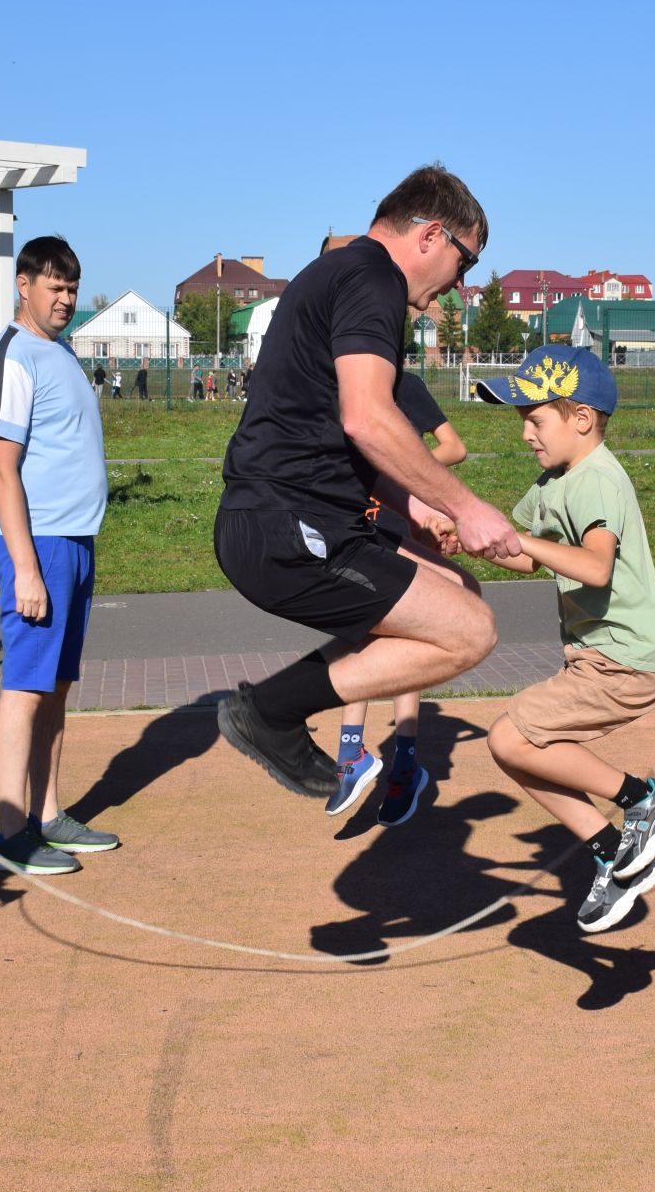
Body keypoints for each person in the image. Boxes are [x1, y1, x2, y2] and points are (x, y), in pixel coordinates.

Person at [213, 163, 519, 797]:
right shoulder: (371, 273)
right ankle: (269, 713)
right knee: (470, 631)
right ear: (431, 235)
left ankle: (275, 712)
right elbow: (367, 418)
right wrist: (466, 508)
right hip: (288, 526)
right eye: (465, 265)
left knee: (457, 590)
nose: (460, 287)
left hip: (291, 515)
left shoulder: (341, 272)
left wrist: (418, 506)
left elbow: (323, 425)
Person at [475, 347, 655, 932]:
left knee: (512, 738)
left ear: (581, 418)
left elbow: (594, 567)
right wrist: (476, 541)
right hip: (601, 658)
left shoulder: (596, 480)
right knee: (519, 751)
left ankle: (645, 800)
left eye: (535, 418)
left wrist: (520, 544)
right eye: (521, 418)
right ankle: (611, 852)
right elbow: (529, 554)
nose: (525, 433)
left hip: (627, 659)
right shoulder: (558, 480)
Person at [0, 235, 118, 875]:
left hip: (75, 540)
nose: (63, 299)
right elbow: (1, 469)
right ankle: (9, 835)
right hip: (40, 545)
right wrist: (27, 566)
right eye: (52, 286)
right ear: (22, 284)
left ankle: (49, 815)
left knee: (56, 687)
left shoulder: (57, 352)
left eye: (70, 288)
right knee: (26, 686)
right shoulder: (13, 358)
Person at [329, 368, 471, 825]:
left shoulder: (405, 387)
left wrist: (406, 469)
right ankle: (357, 756)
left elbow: (454, 446)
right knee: (359, 638)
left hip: (398, 529)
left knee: (402, 639)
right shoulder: (338, 390)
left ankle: (400, 762)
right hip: (352, 532)